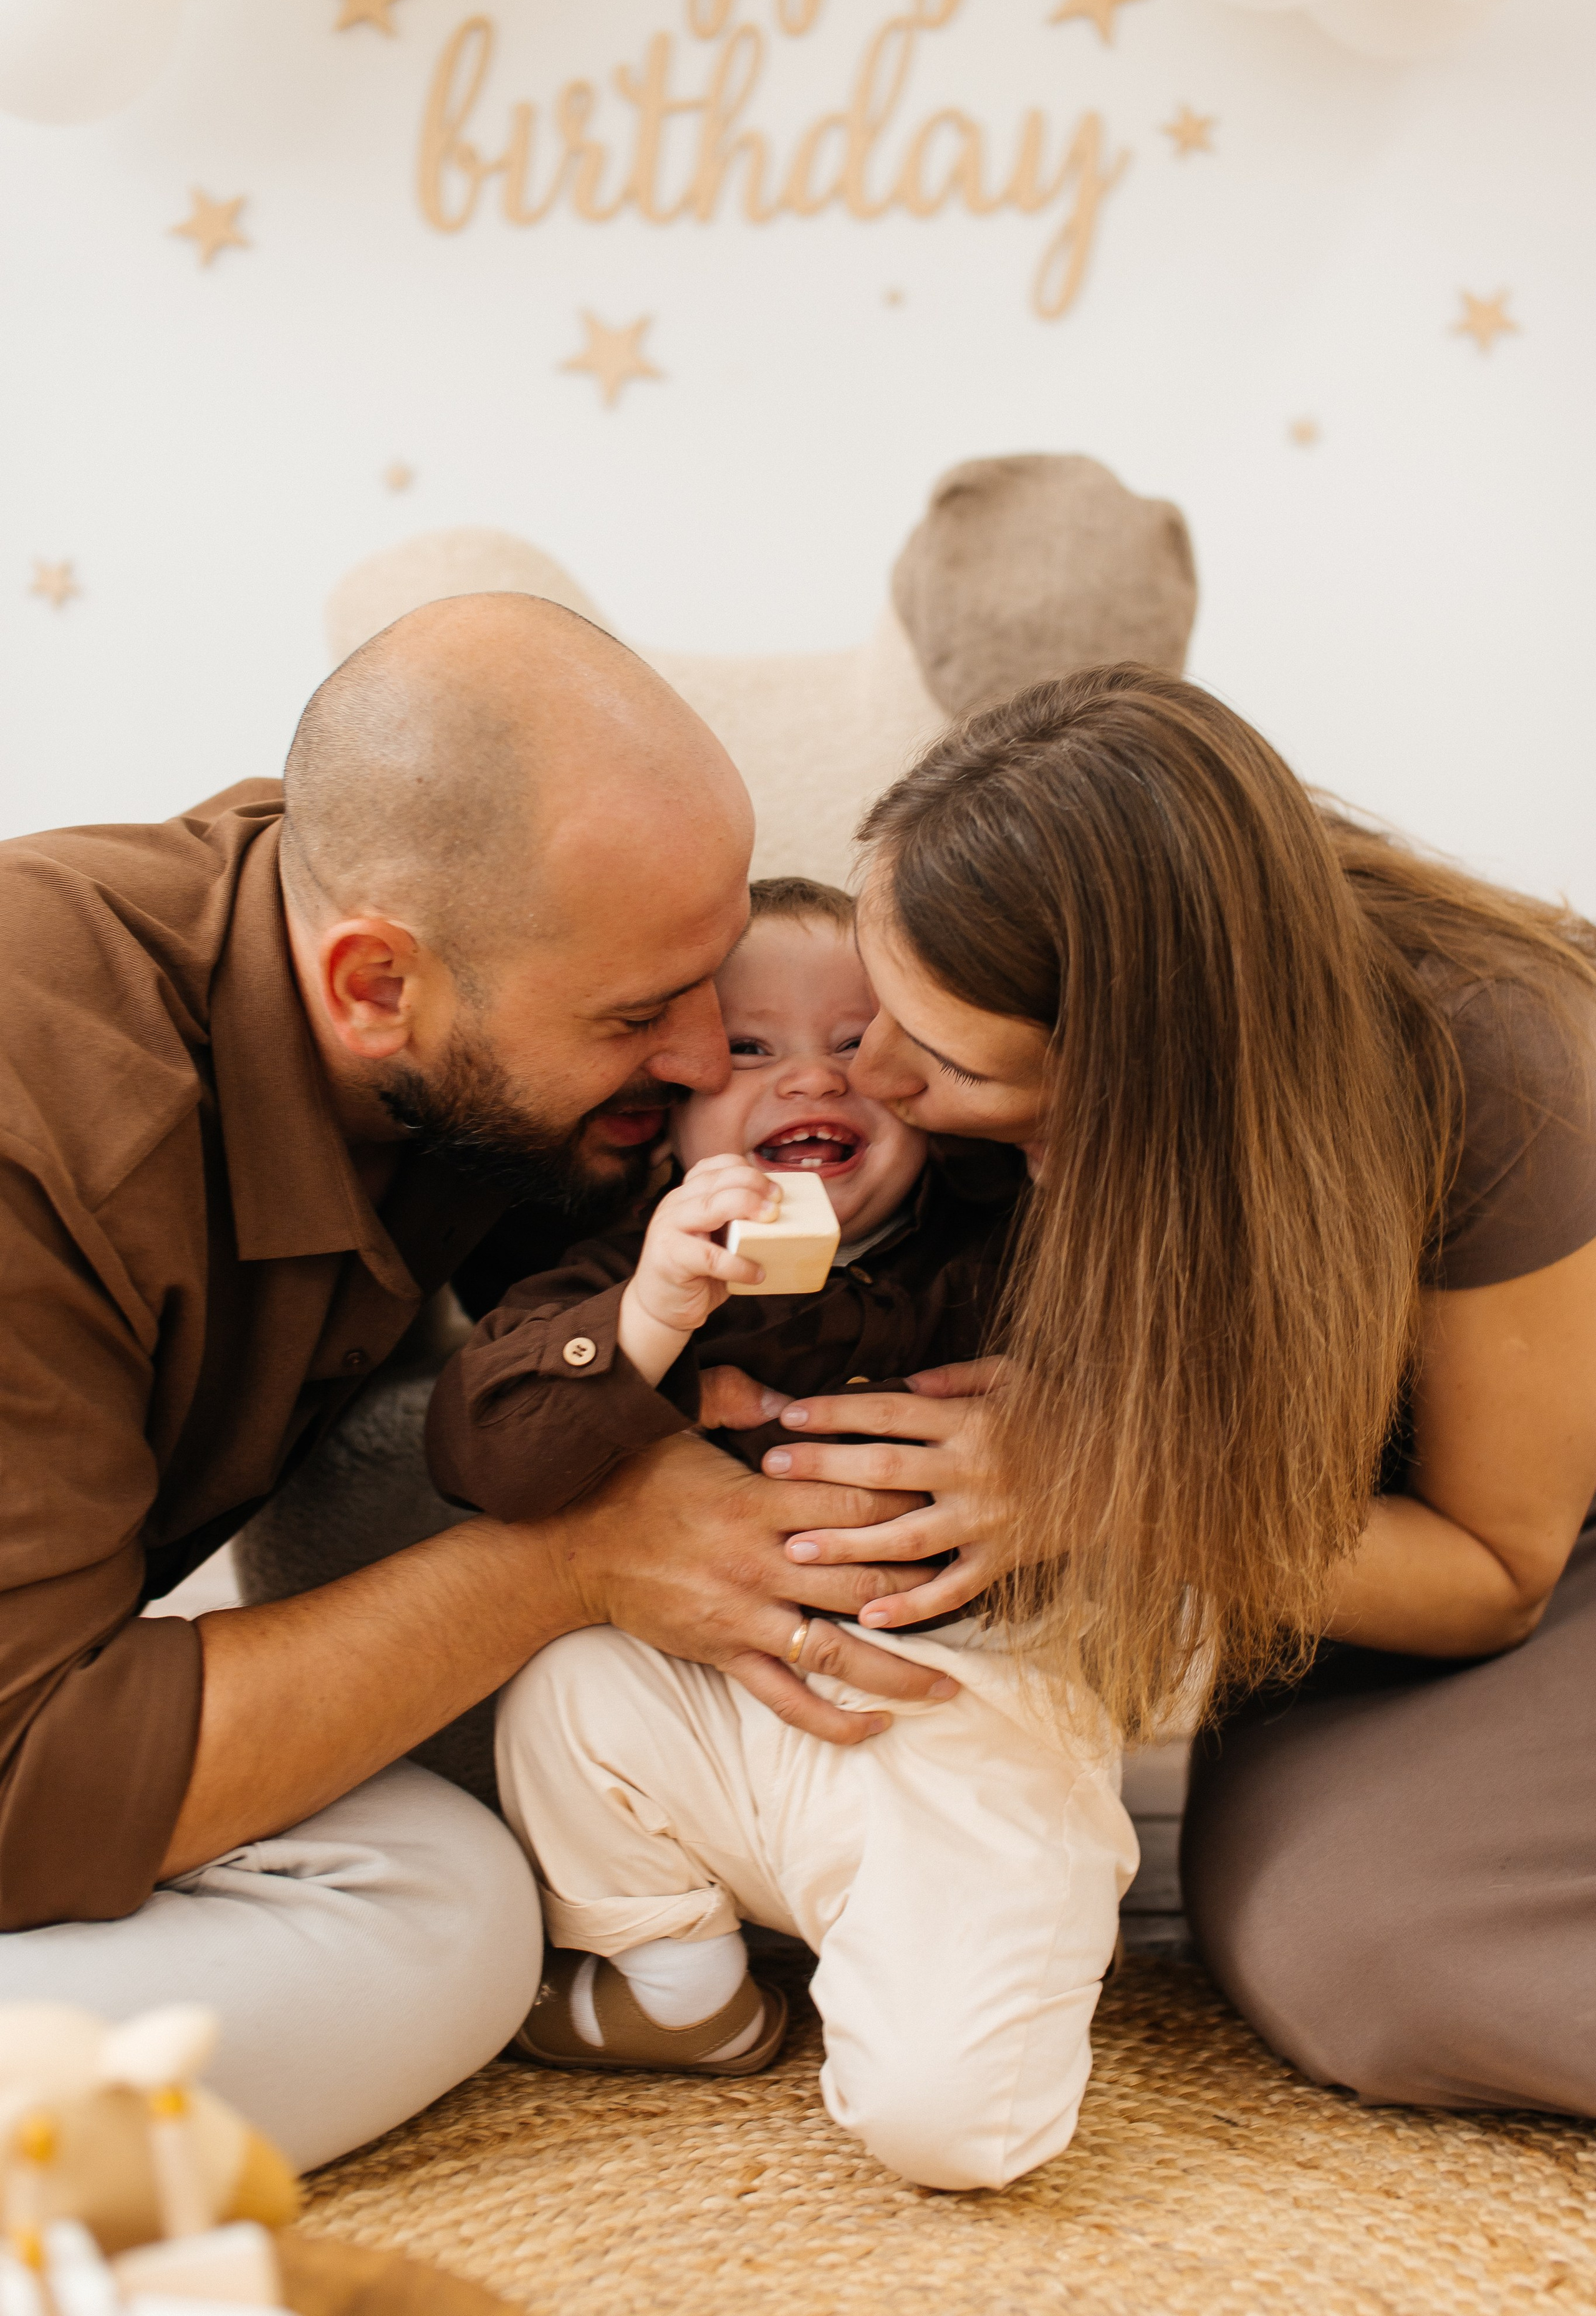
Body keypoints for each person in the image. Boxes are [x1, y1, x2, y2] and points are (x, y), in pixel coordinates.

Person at [0, 593, 951, 2171]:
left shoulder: (432, 983)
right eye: (644, 1014)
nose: (710, 1060)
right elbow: (25, 1785)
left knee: (450, 1898)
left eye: (705, 980)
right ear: (374, 987)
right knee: (420, 1941)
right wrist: (564, 1565)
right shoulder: (55, 1118)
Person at [730, 665, 1596, 2122]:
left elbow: (1496, 1569)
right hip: (1340, 1571)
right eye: (879, 1001)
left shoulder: (1491, 1059)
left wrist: (1095, 1481)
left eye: (932, 1055)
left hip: (1521, 1552)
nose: (870, 1070)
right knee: (1308, 1919)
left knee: (1372, 1955)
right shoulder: (985, 1069)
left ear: (1135, 1083)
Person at [425, 876, 1133, 2192]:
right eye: (749, 1050)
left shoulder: (1010, 1254)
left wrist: (1069, 1410)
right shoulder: (632, 1269)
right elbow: (480, 1453)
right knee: (564, 1689)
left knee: (952, 2132)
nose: (814, 1077)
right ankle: (686, 1989)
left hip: (951, 1717)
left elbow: (1172, 1377)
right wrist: (650, 1320)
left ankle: (959, 1957)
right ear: (670, 1110)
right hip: (717, 1721)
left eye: (862, 1042)